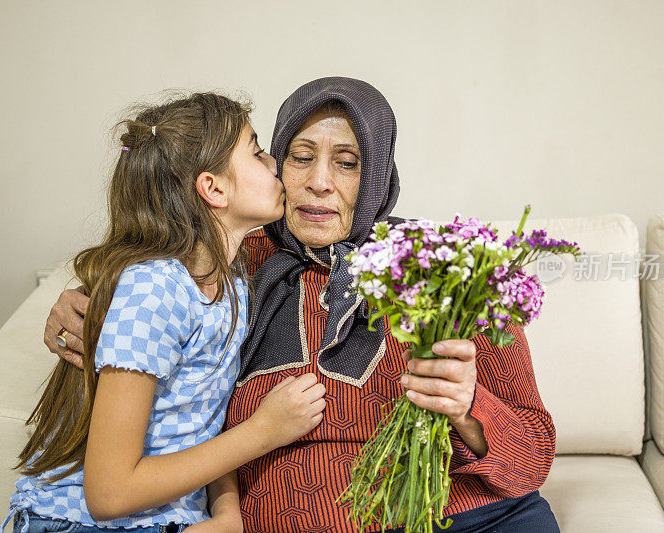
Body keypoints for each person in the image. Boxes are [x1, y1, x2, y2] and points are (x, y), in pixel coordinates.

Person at [45, 78, 560, 532]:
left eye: (348, 163)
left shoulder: (441, 267)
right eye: (300, 156)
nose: (319, 182)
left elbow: (533, 454)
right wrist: (77, 307)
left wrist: (470, 409)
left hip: (463, 517)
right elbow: (138, 288)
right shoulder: (224, 259)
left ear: (377, 173)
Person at [4, 92, 327, 533]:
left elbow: (204, 414)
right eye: (256, 151)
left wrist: (227, 513)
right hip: (75, 523)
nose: (275, 164)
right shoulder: (155, 288)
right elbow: (109, 494)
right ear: (213, 187)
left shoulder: (233, 279)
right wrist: (264, 432)